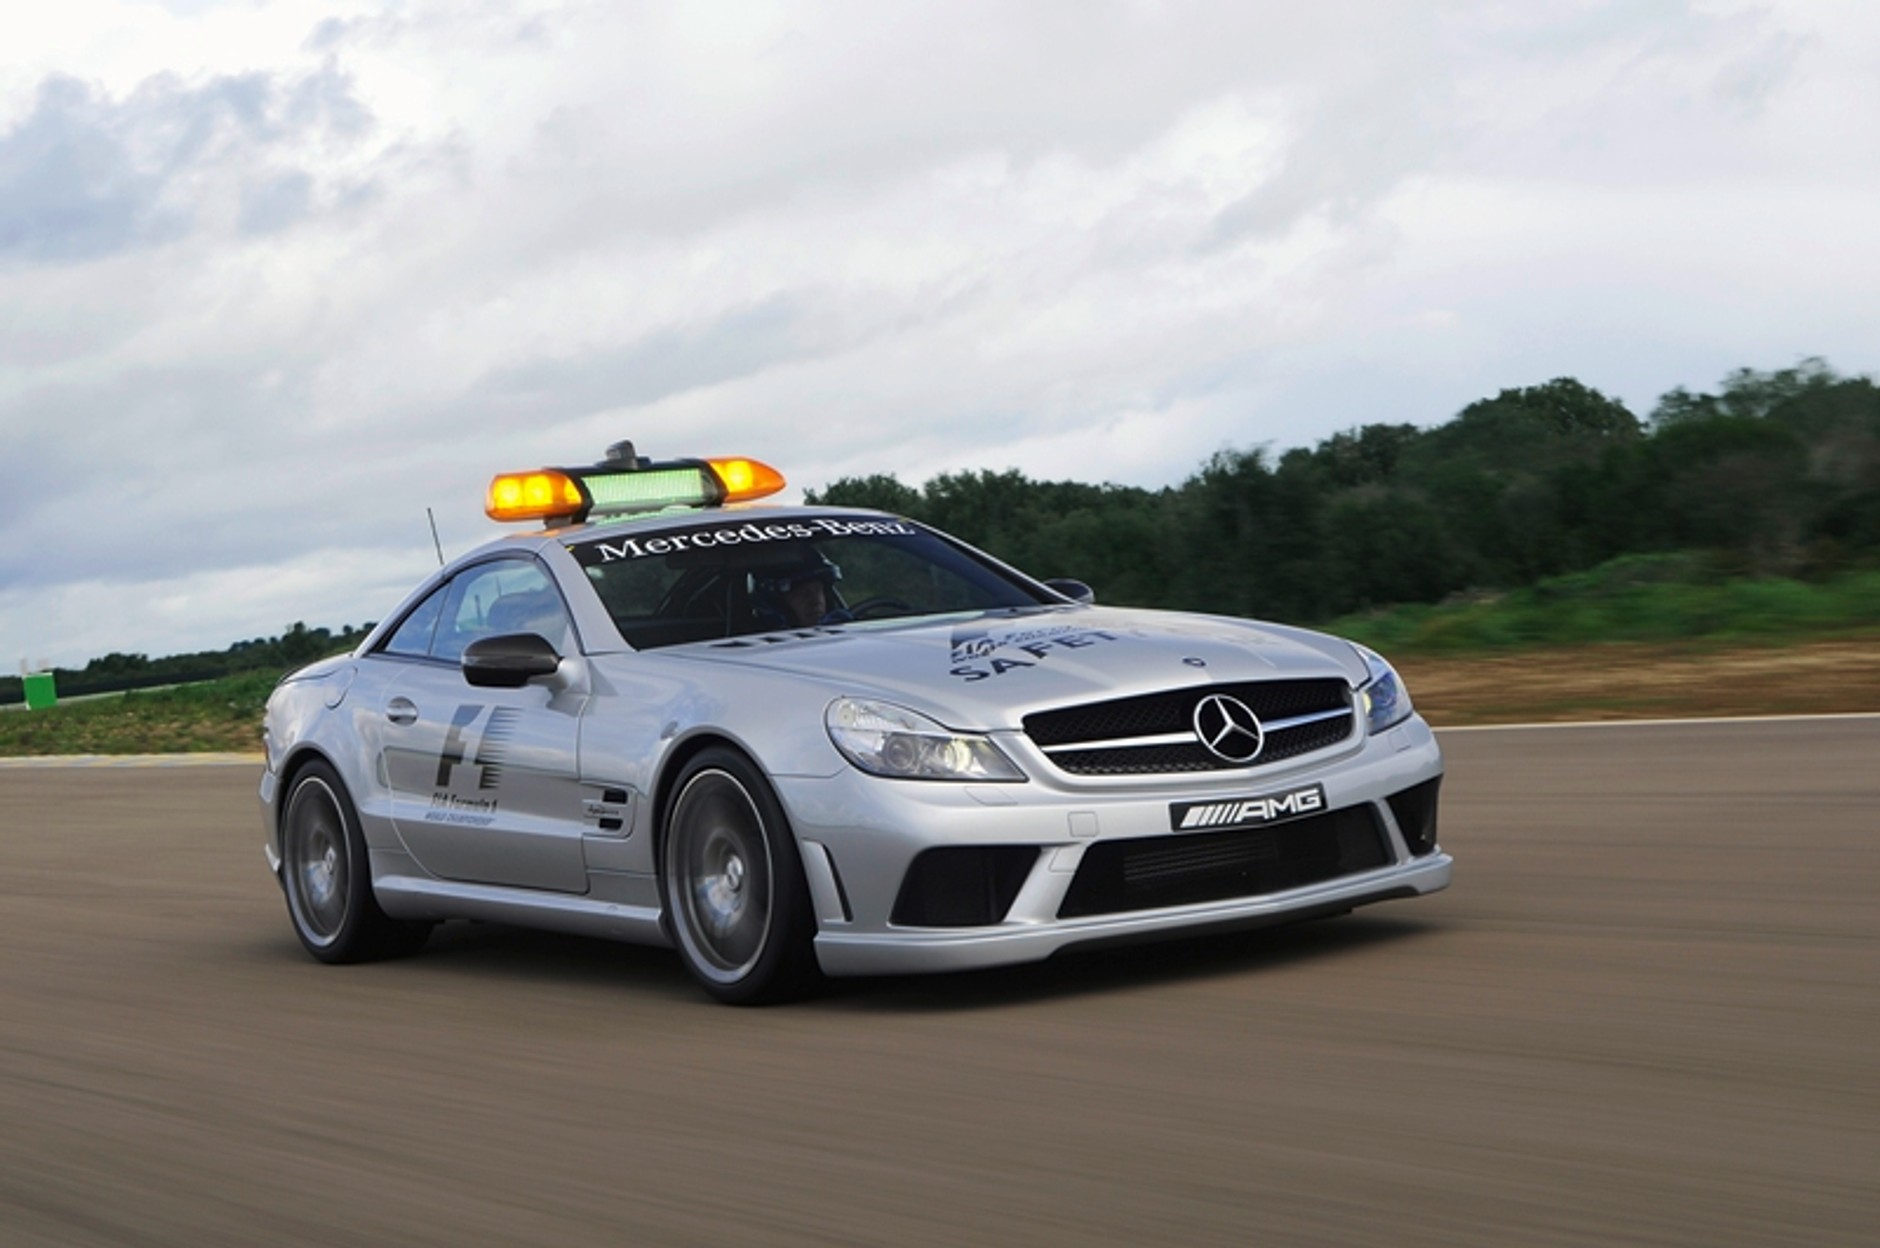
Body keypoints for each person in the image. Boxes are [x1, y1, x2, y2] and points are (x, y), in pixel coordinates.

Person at [750, 552, 846, 628]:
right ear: (776, 603)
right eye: (802, 594)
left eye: (818, 591)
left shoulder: (846, 631)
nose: (815, 601)